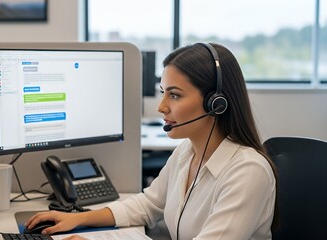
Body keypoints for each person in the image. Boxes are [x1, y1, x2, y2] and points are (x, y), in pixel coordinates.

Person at [25, 43, 278, 240]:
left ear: (216, 103)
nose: (162, 107)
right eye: (163, 93)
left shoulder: (247, 171)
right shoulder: (186, 153)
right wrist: (81, 218)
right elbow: (148, 204)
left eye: (175, 95)